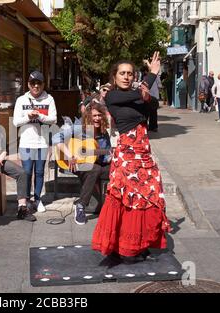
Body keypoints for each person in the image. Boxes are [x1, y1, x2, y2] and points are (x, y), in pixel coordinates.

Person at [91, 52, 171, 264]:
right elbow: (139, 95)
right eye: (122, 73)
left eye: (130, 74)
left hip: (143, 151)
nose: (126, 77)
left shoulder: (135, 94)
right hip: (128, 155)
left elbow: (153, 105)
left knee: (148, 194)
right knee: (130, 198)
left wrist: (146, 95)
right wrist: (152, 75)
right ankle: (125, 248)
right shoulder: (112, 96)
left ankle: (139, 243)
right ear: (114, 77)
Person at [52, 101, 112, 225]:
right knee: (94, 169)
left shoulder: (103, 133)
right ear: (88, 116)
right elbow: (56, 138)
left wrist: (110, 157)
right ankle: (81, 206)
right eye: (94, 115)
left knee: (112, 168)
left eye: (99, 116)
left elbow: (104, 157)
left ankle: (113, 206)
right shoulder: (78, 127)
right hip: (73, 163)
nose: (97, 118)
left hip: (92, 165)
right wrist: (69, 155)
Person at [13, 71, 57, 213]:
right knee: (26, 172)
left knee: (39, 172)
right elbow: (15, 122)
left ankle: (37, 200)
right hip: (26, 142)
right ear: (28, 85)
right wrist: (28, 116)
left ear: (43, 84)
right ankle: (25, 201)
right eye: (33, 83)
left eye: (39, 83)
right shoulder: (21, 100)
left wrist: (40, 116)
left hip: (42, 142)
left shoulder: (49, 99)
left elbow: (53, 119)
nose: (36, 86)